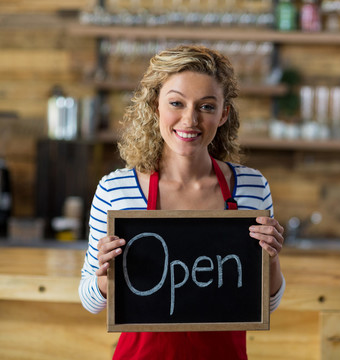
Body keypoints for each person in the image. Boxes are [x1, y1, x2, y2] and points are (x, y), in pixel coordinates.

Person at [78, 44, 286, 359]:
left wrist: (271, 258)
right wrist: (105, 278)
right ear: (155, 106)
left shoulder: (252, 187)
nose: (189, 120)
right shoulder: (115, 190)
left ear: (223, 113)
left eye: (206, 106)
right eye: (176, 103)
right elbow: (90, 301)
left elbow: (267, 303)